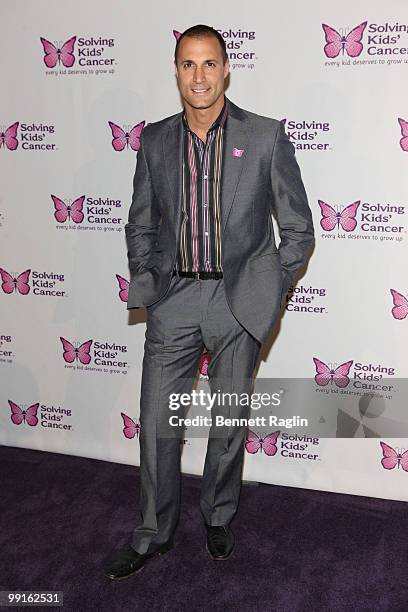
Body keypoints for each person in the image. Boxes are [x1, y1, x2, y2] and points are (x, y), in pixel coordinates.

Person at [104, 24, 314, 581]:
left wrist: (272, 285)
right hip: (174, 298)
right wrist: (148, 279)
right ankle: (152, 533)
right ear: (176, 71)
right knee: (155, 422)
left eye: (209, 64)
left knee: (227, 419)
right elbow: (140, 222)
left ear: (226, 69)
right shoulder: (155, 140)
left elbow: (297, 228)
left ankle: (218, 515)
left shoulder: (266, 137)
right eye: (187, 64)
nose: (199, 76)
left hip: (236, 298)